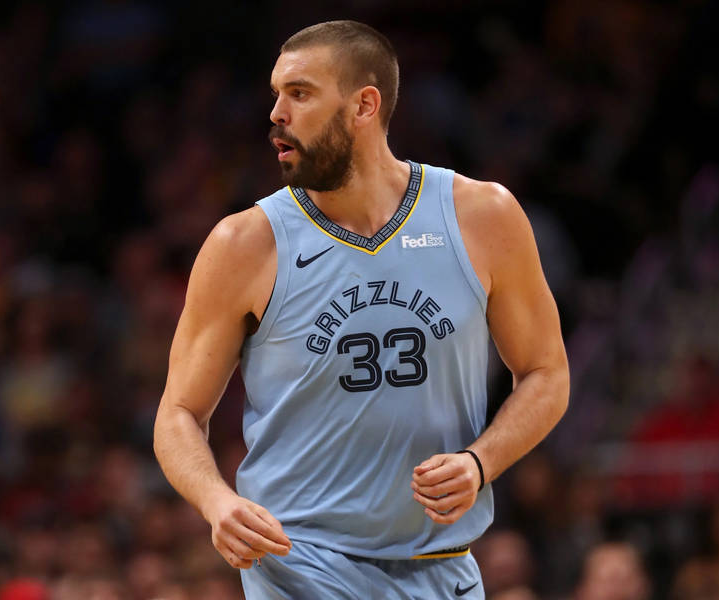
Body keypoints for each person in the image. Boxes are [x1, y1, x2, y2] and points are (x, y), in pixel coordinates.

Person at [153, 20, 568, 599]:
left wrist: (480, 463)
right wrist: (216, 501)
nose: (276, 113)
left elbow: (547, 374)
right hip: (299, 563)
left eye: (299, 93)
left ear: (364, 105)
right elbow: (177, 413)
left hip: (442, 564)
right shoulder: (243, 244)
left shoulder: (483, 217)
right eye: (276, 94)